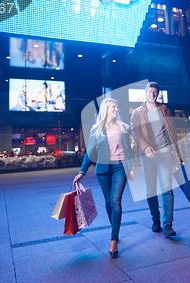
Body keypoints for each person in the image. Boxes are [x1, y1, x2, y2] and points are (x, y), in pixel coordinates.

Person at [74, 98, 135, 258]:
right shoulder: (97, 129)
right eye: (113, 107)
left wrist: (132, 166)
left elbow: (129, 149)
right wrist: (82, 171)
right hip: (102, 169)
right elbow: (90, 152)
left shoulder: (124, 127)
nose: (116, 110)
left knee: (115, 200)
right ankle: (115, 227)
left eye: (117, 107)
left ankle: (113, 239)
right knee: (108, 201)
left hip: (120, 167)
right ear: (106, 110)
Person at [131, 82, 183, 238]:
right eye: (150, 91)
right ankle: (156, 220)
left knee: (167, 188)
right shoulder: (138, 112)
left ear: (158, 94)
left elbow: (172, 132)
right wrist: (146, 147)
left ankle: (168, 225)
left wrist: (177, 154)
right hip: (147, 156)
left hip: (165, 153)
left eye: (155, 92)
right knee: (150, 190)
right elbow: (135, 132)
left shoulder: (164, 110)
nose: (153, 94)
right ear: (145, 93)